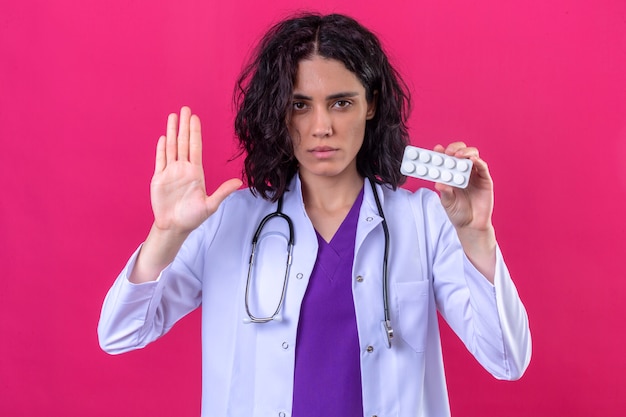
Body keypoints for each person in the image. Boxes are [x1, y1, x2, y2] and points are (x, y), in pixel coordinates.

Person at [98, 12, 531, 417]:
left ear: (372, 103)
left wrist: (477, 235)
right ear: (278, 110)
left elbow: (507, 360)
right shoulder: (229, 221)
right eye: (301, 105)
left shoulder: (424, 221)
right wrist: (167, 234)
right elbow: (120, 334)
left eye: (341, 103)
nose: (321, 127)